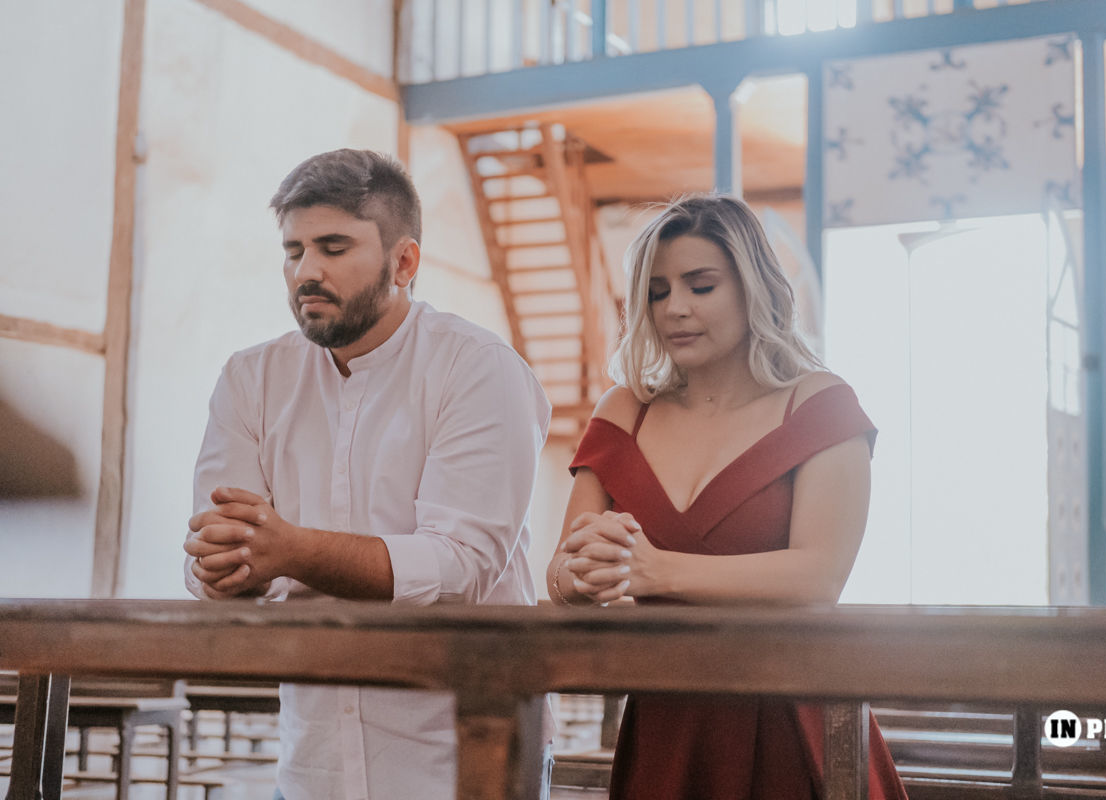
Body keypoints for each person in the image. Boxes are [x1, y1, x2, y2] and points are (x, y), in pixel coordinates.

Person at [183, 149, 551, 800]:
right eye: (293, 251)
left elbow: (458, 567)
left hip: (462, 760)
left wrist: (288, 550)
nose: (306, 271)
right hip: (311, 766)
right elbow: (220, 548)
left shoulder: (478, 368)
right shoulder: (251, 379)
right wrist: (223, 568)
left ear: (404, 263)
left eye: (333, 247)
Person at [546, 194, 908, 799]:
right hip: (666, 719)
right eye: (657, 292)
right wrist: (582, 576)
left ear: (752, 287)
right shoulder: (625, 410)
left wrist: (655, 571)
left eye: (701, 286)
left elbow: (818, 577)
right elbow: (561, 570)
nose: (675, 308)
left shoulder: (819, 404)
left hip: (791, 718)